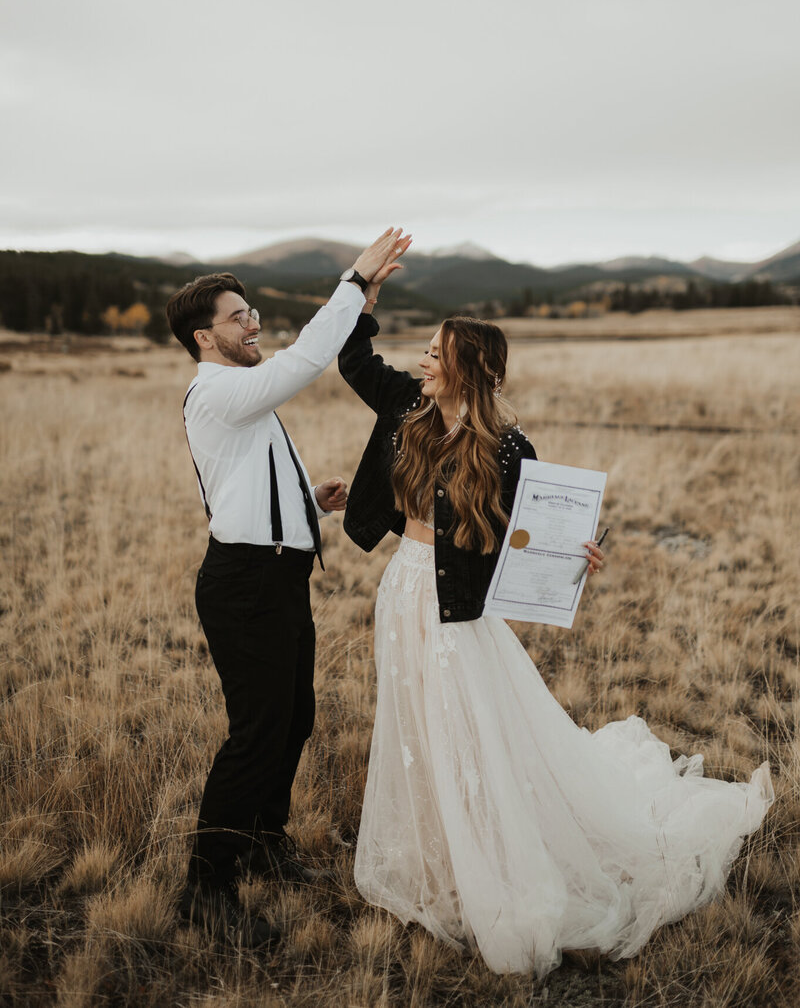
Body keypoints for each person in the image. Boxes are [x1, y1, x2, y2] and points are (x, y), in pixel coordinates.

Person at [337, 264, 774, 978]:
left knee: (468, 729)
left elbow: (531, 537)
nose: (422, 359)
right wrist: (364, 294)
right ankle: (440, 857)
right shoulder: (405, 408)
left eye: (436, 352)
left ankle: (496, 858)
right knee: (417, 720)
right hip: (402, 592)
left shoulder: (510, 449)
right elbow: (353, 357)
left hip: (459, 611)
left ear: (466, 369)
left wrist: (579, 556)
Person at [165, 226, 410, 948]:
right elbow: (310, 356)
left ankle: (267, 844)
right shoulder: (218, 392)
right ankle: (206, 889)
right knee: (256, 733)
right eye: (239, 316)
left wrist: (310, 497)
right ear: (205, 339)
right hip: (244, 585)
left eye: (251, 312)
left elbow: (247, 472)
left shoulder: (237, 395)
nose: (254, 323)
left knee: (294, 716)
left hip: (278, 576)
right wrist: (355, 283)